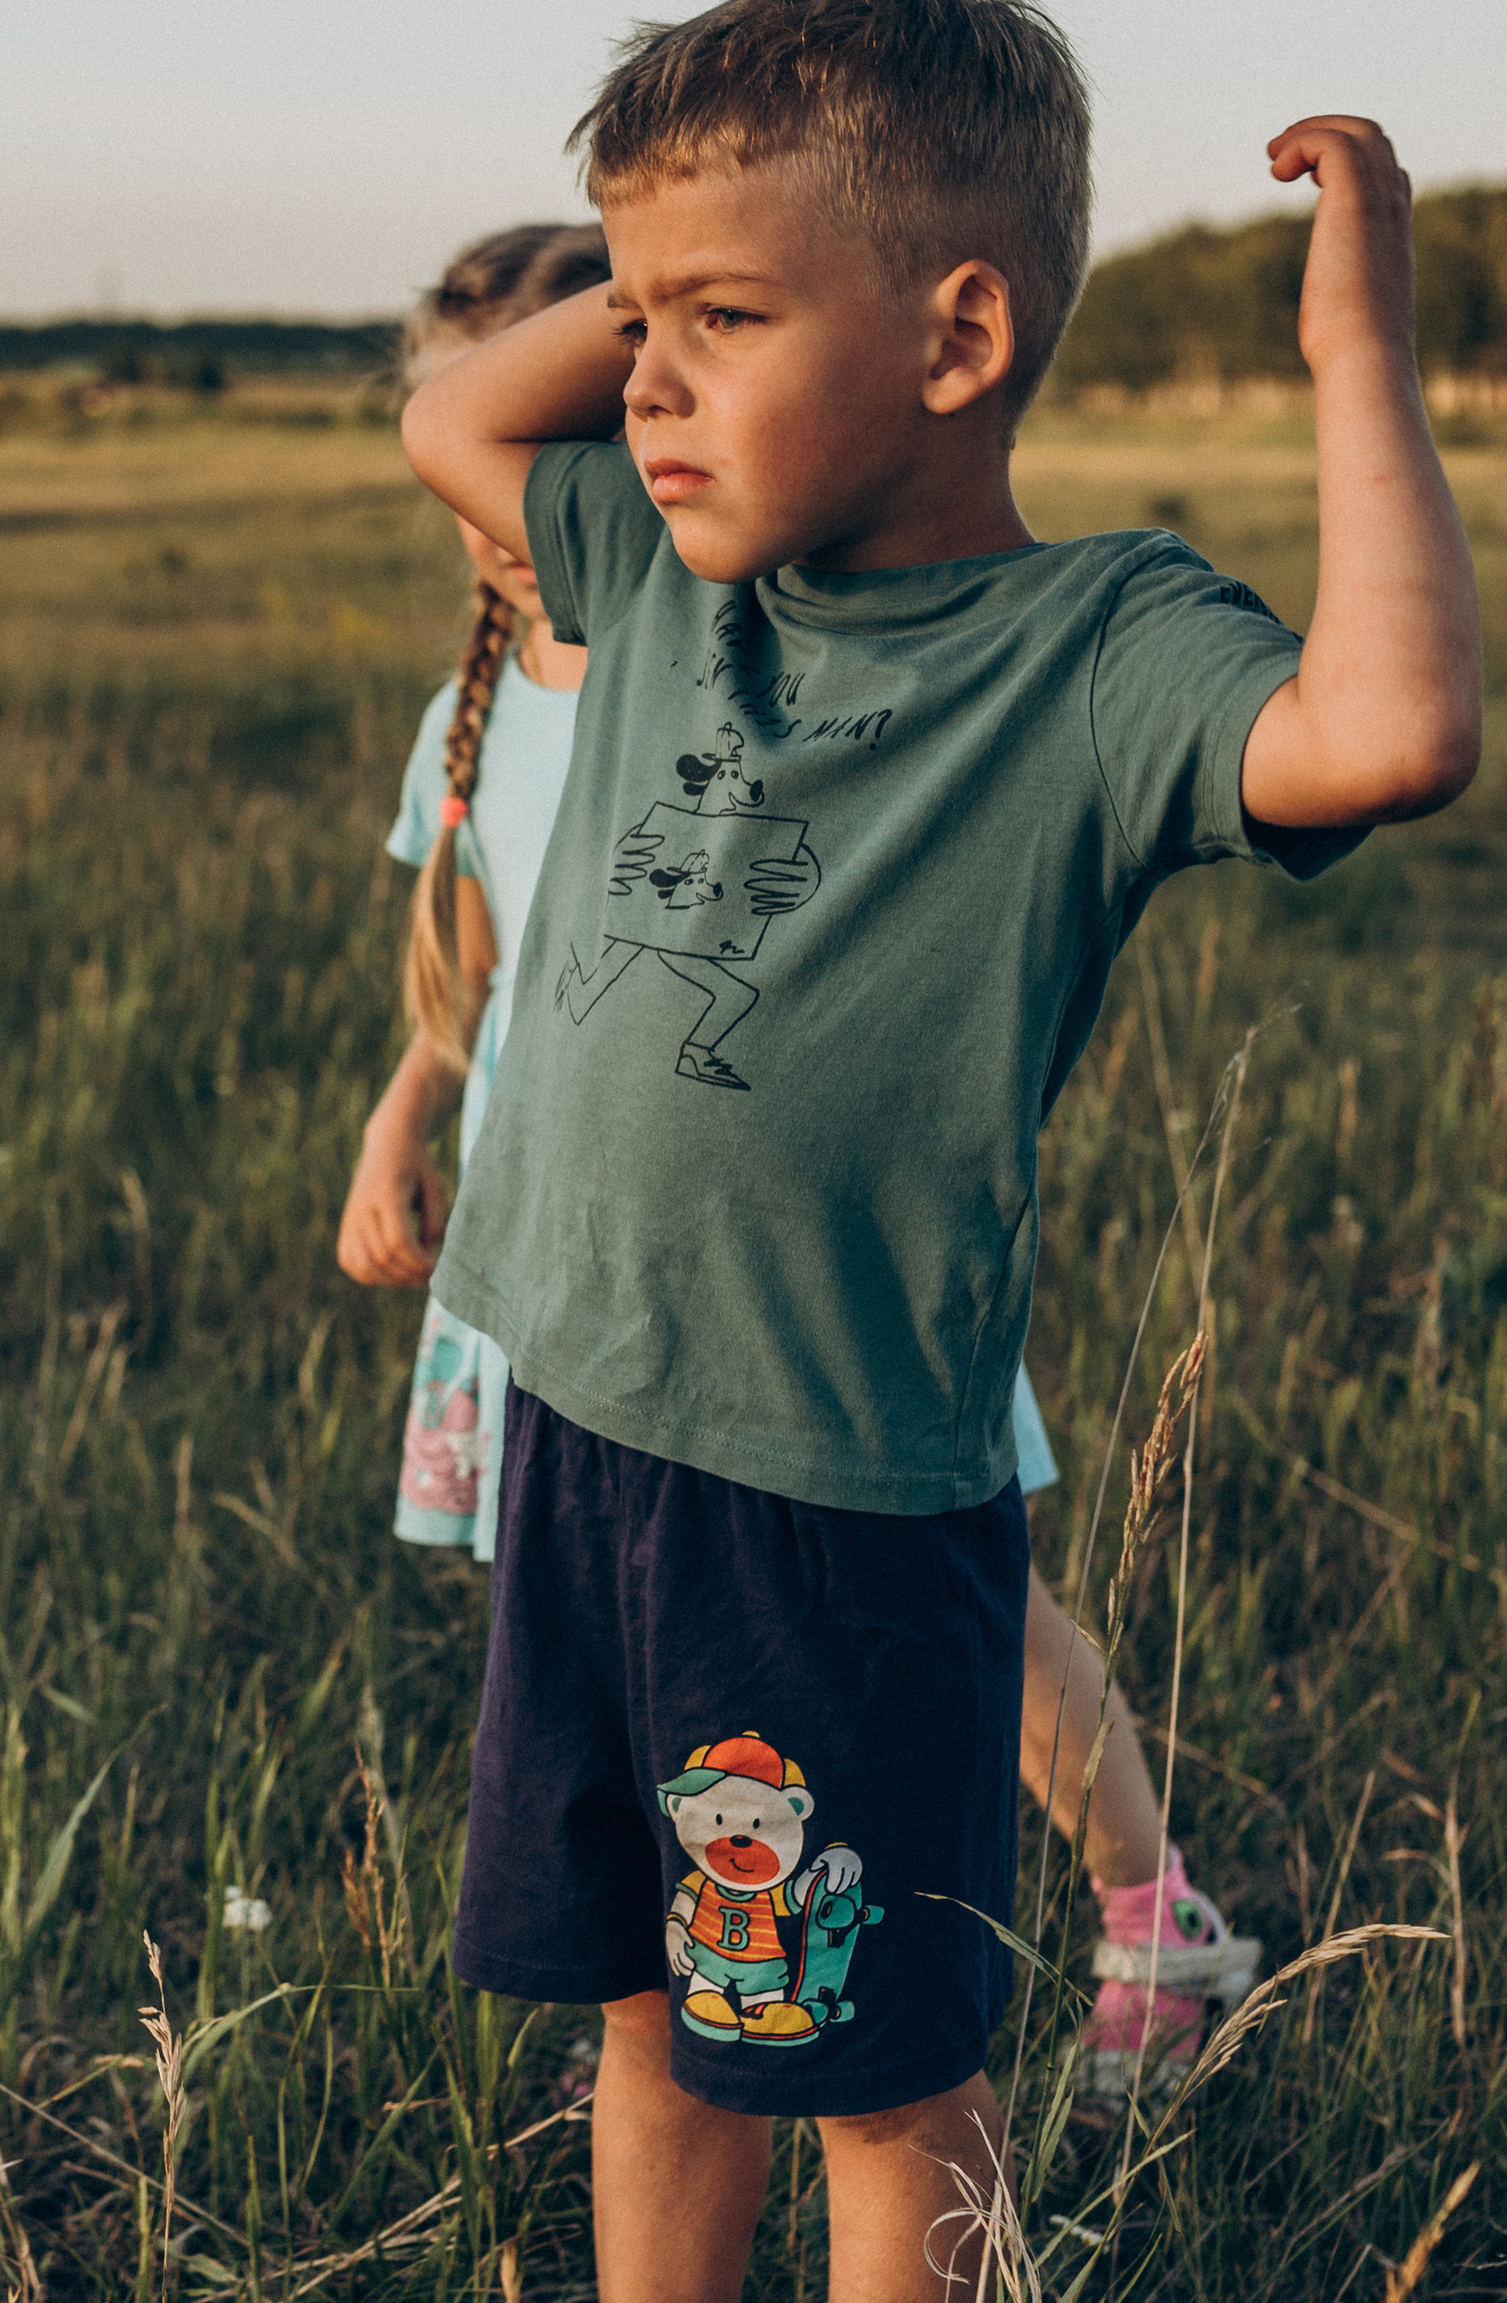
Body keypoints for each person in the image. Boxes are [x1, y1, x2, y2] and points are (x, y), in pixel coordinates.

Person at [386, 0, 1480, 2303]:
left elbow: (1385, 732)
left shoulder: (1094, 651)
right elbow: (455, 419)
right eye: (638, 315)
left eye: (722, 323)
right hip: (588, 1442)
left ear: (961, 337)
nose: (644, 381)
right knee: (653, 2005)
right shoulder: (659, 572)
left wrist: (1356, 345)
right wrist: (683, 269)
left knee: (875, 2066)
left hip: (837, 1503)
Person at [341, 228, 1255, 2125]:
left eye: (629, 403)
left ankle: (1147, 1909)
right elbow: (483, 980)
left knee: (981, 1631)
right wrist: (399, 1122)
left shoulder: (710, 647)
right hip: (584, 1269)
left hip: (815, 1284)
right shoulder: (481, 709)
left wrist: (680, 258)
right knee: (657, 1642)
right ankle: (692, 1939)